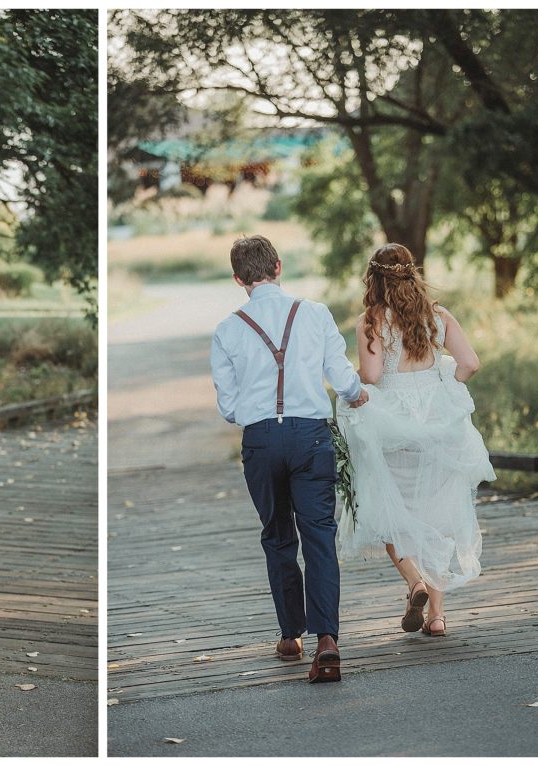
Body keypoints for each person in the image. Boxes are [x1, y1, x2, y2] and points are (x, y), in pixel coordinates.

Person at [210, 234, 368, 684]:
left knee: (278, 536)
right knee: (319, 535)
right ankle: (327, 641)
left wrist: (258, 413)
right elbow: (341, 376)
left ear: (239, 279)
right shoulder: (314, 313)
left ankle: (290, 635)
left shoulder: (228, 329)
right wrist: (358, 396)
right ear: (278, 267)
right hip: (311, 437)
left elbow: (228, 407)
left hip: (261, 440)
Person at [337, 243, 495, 638]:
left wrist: (346, 379)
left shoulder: (371, 321)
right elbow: (470, 363)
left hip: (392, 423)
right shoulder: (437, 316)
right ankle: (437, 617)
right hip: (438, 424)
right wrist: (443, 387)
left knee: (388, 508)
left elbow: (371, 376)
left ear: (373, 279)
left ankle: (414, 582)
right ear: (413, 274)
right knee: (437, 517)